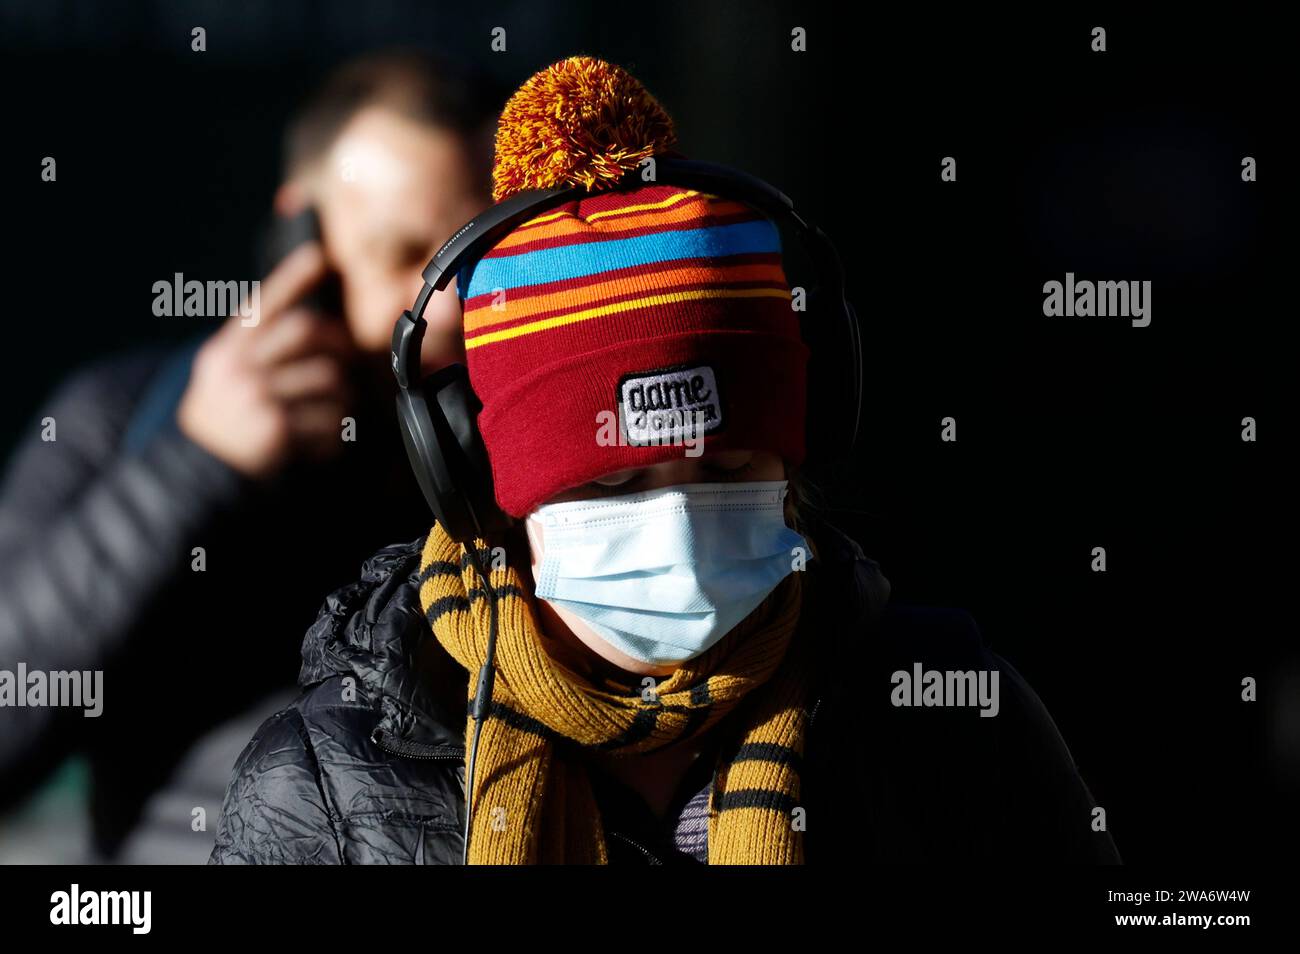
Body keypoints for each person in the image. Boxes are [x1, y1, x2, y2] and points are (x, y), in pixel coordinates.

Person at [210, 56, 1121, 865]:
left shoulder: (950, 722)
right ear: (486, 487)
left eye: (725, 471)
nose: (679, 523)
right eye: (612, 482)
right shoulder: (324, 785)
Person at [0, 51, 499, 862]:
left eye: (480, 259)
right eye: (406, 254)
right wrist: (192, 463)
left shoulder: (546, 450)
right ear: (299, 236)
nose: (447, 305)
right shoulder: (129, 416)